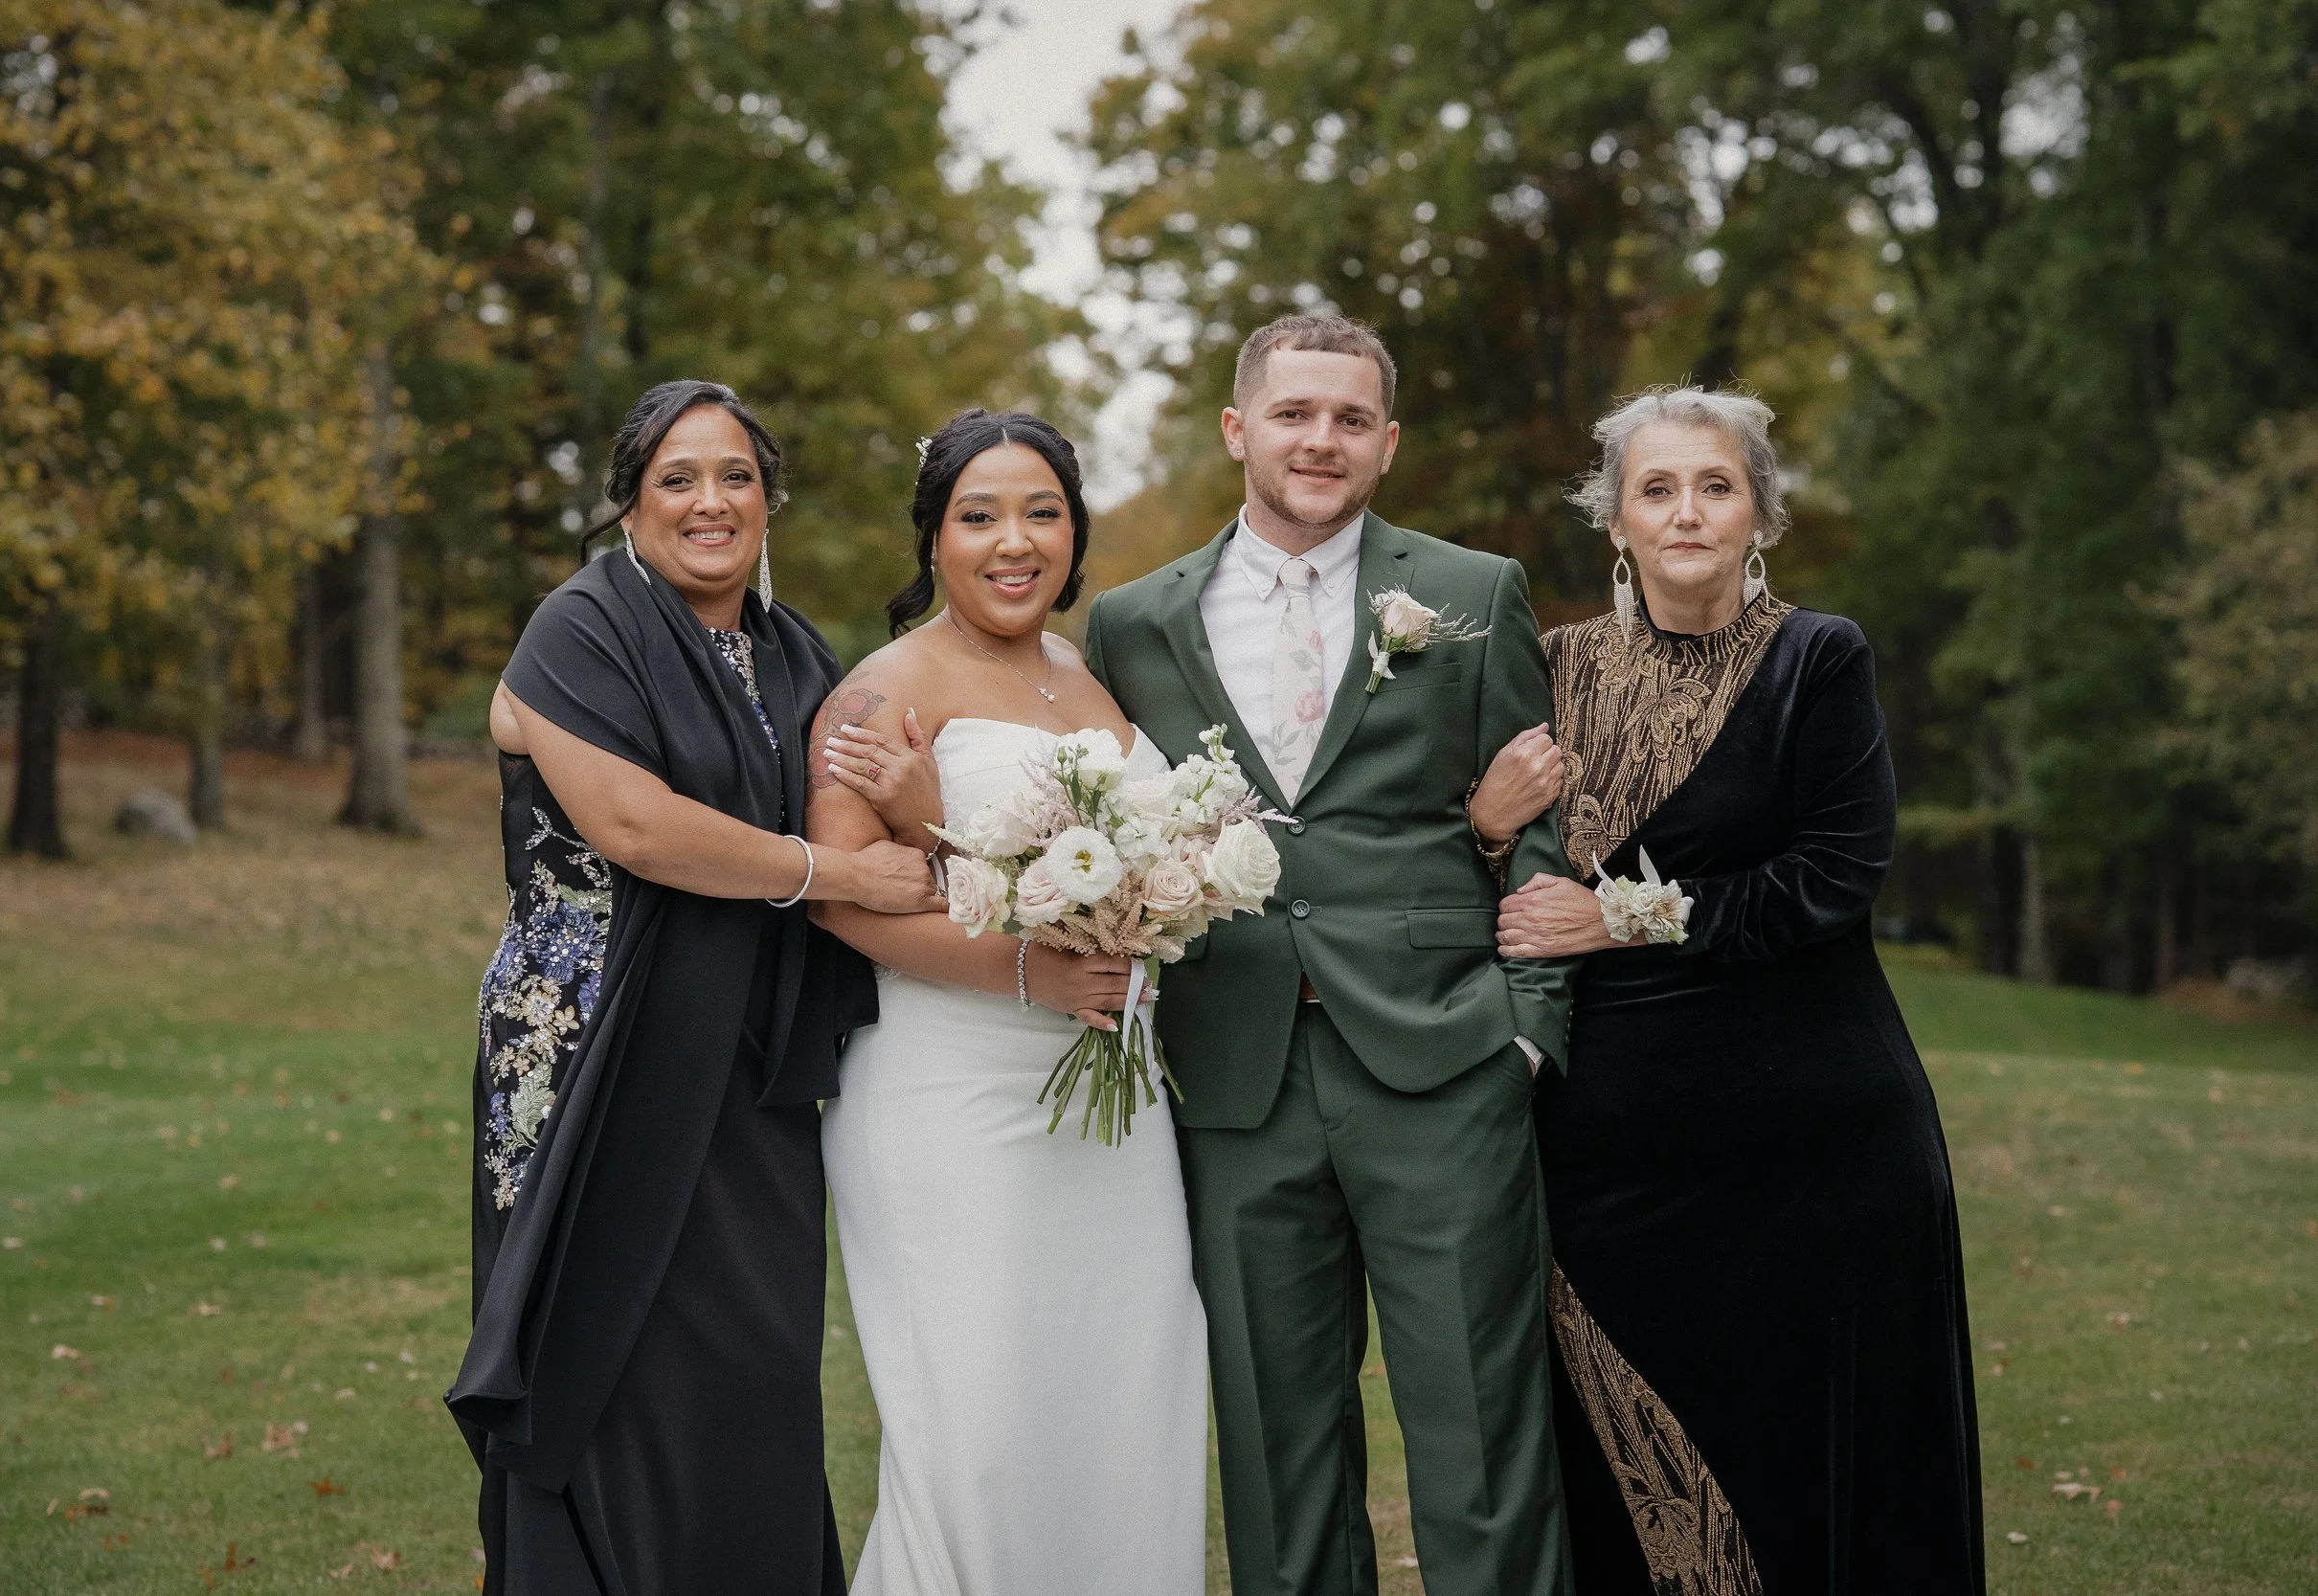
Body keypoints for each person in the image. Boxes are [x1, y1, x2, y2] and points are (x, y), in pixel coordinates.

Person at [1085, 315, 1576, 1596]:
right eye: (1294, 413)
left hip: (1444, 1058)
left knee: (1482, 1437)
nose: (1322, 439)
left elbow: (1540, 824)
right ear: (1238, 429)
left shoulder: (1471, 592)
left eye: (1351, 418)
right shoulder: (1134, 622)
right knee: (1275, 1445)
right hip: (1232, 1072)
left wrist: (1528, 1030)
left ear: (1387, 442)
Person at [1487, 385, 1987, 1594]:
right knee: (1625, 1473)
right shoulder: (1553, 667)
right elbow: (1498, 886)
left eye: (1715, 486)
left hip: (1816, 1148)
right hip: (1610, 1157)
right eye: (1655, 489)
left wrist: (1616, 915)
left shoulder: (1819, 656)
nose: (1686, 511)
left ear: (1759, 512)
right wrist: (1486, 823)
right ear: (1614, 519)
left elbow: (1833, 877)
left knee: (1820, 1469)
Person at [447, 379, 944, 1596]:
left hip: (751, 1055)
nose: (710, 501)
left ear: (769, 501)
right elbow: (635, 824)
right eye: (677, 478)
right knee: (599, 1341)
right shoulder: (580, 625)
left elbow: (869, 803)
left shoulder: (795, 653)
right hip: (594, 1043)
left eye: (736, 477)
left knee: (753, 1350)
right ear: (631, 504)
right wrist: (834, 871)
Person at [805, 409, 1208, 1595]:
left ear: (1075, 532)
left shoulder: (1079, 671)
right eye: (978, 515)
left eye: (1042, 512)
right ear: (934, 536)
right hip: (953, 1095)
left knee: (1126, 1390)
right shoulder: (879, 694)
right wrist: (1037, 969)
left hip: (1113, 1105)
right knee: (979, 1426)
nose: (1013, 540)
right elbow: (842, 902)